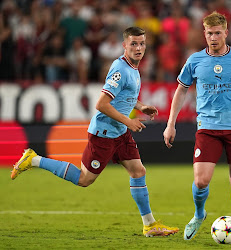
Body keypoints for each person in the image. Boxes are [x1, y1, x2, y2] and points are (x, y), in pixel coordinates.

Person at [11, 26, 179, 238]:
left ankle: (150, 225)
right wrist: (128, 120)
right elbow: (101, 104)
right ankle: (34, 160)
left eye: (142, 43)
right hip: (104, 133)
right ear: (124, 45)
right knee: (84, 179)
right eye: (134, 44)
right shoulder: (120, 69)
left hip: (119, 132)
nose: (138, 48)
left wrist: (140, 106)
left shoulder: (133, 68)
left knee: (138, 171)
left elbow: (120, 99)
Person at [163, 11, 231, 241]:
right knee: (201, 180)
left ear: (226, 33)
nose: (213, 38)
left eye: (217, 33)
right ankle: (199, 213)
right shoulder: (194, 60)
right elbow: (181, 89)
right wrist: (170, 124)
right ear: (204, 33)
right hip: (208, 127)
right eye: (209, 33)